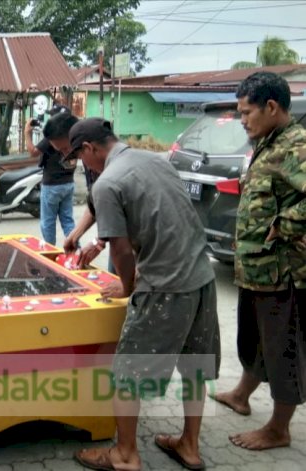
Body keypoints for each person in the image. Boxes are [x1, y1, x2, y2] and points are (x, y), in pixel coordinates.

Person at [70, 118, 220, 471]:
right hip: (201, 277)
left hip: (165, 287)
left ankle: (125, 454)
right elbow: (167, 223)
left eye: (79, 157)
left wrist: (127, 287)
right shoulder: (156, 160)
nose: (82, 164)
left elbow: (121, 251)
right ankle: (190, 446)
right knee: (195, 368)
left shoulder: (107, 182)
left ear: (89, 148)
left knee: (126, 374)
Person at [210, 72, 306, 451]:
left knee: (282, 348)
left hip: (283, 272)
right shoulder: (269, 142)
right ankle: (241, 395)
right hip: (256, 269)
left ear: (271, 106)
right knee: (256, 340)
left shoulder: (296, 146)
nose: (243, 120)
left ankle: (279, 429)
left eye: (247, 112)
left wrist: (283, 224)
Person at [24, 105, 76, 246]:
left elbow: (33, 152)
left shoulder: (52, 138)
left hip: (52, 185)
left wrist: (27, 133)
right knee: (68, 221)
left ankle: (50, 250)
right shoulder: (72, 136)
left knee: (48, 222)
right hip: (69, 183)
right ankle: (75, 250)